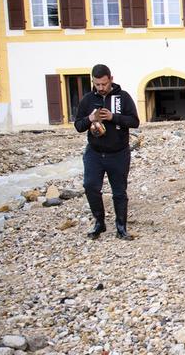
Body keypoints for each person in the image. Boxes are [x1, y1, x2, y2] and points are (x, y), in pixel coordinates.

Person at [74, 64, 140, 240]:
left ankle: (121, 228)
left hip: (119, 153)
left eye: (104, 84)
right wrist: (90, 119)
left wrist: (113, 117)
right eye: (97, 85)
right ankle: (99, 223)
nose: (101, 88)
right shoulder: (88, 100)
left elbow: (135, 122)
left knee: (119, 191)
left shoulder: (123, 97)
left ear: (111, 79)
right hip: (94, 153)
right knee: (90, 186)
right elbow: (78, 126)